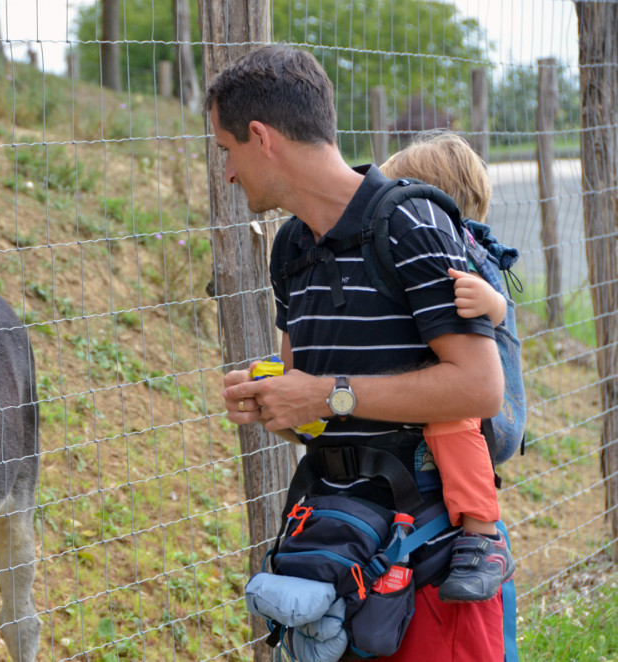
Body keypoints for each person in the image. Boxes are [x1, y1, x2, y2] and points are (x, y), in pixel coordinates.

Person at [208, 45, 505, 661]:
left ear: (261, 137)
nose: (227, 173)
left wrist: (324, 392)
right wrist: (277, 401)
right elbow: (322, 407)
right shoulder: (290, 249)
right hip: (336, 557)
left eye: (226, 151)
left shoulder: (410, 223)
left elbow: (481, 387)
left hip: (429, 566)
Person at [379, 132, 515, 604]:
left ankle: (483, 533)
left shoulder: (467, 255)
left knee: (445, 418)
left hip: (484, 410)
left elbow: (501, 313)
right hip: (458, 402)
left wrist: (490, 304)